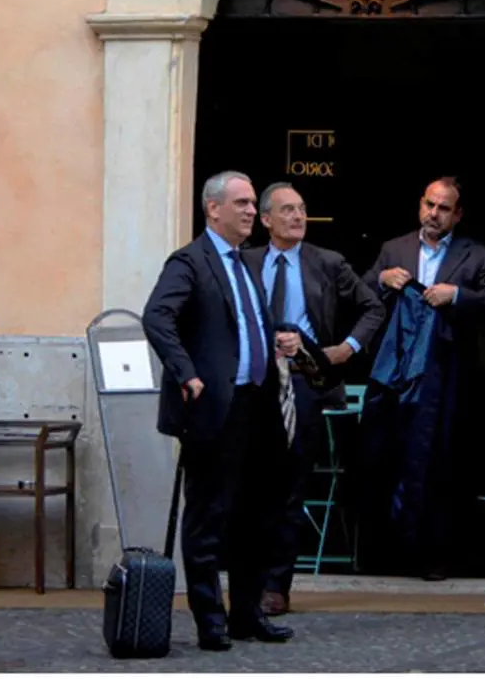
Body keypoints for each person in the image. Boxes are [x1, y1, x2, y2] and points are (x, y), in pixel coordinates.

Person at [142, 171, 301, 651]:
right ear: (213, 209)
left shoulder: (246, 263)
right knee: (209, 518)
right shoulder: (190, 261)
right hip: (214, 408)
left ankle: (246, 615)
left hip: (258, 404)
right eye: (242, 203)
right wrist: (186, 372)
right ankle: (210, 620)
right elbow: (157, 316)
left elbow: (241, 326)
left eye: (254, 203)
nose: (252, 211)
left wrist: (276, 340)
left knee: (259, 514)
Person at [245, 182, 385, 616]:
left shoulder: (327, 262)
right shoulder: (243, 263)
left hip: (306, 380)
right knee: (251, 482)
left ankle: (276, 586)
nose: (297, 217)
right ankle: (245, 577)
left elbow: (373, 308)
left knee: (289, 483)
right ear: (266, 219)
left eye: (302, 209)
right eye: (287, 210)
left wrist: (346, 349)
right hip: (253, 382)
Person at [360, 176, 485, 581]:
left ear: (458, 214)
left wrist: (456, 295)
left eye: (443, 208)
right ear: (420, 204)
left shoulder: (478, 256)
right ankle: (385, 554)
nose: (433, 214)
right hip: (397, 374)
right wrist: (382, 280)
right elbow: (361, 292)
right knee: (388, 456)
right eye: (429, 205)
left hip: (449, 376)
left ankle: (437, 555)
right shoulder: (394, 249)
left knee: (441, 462)